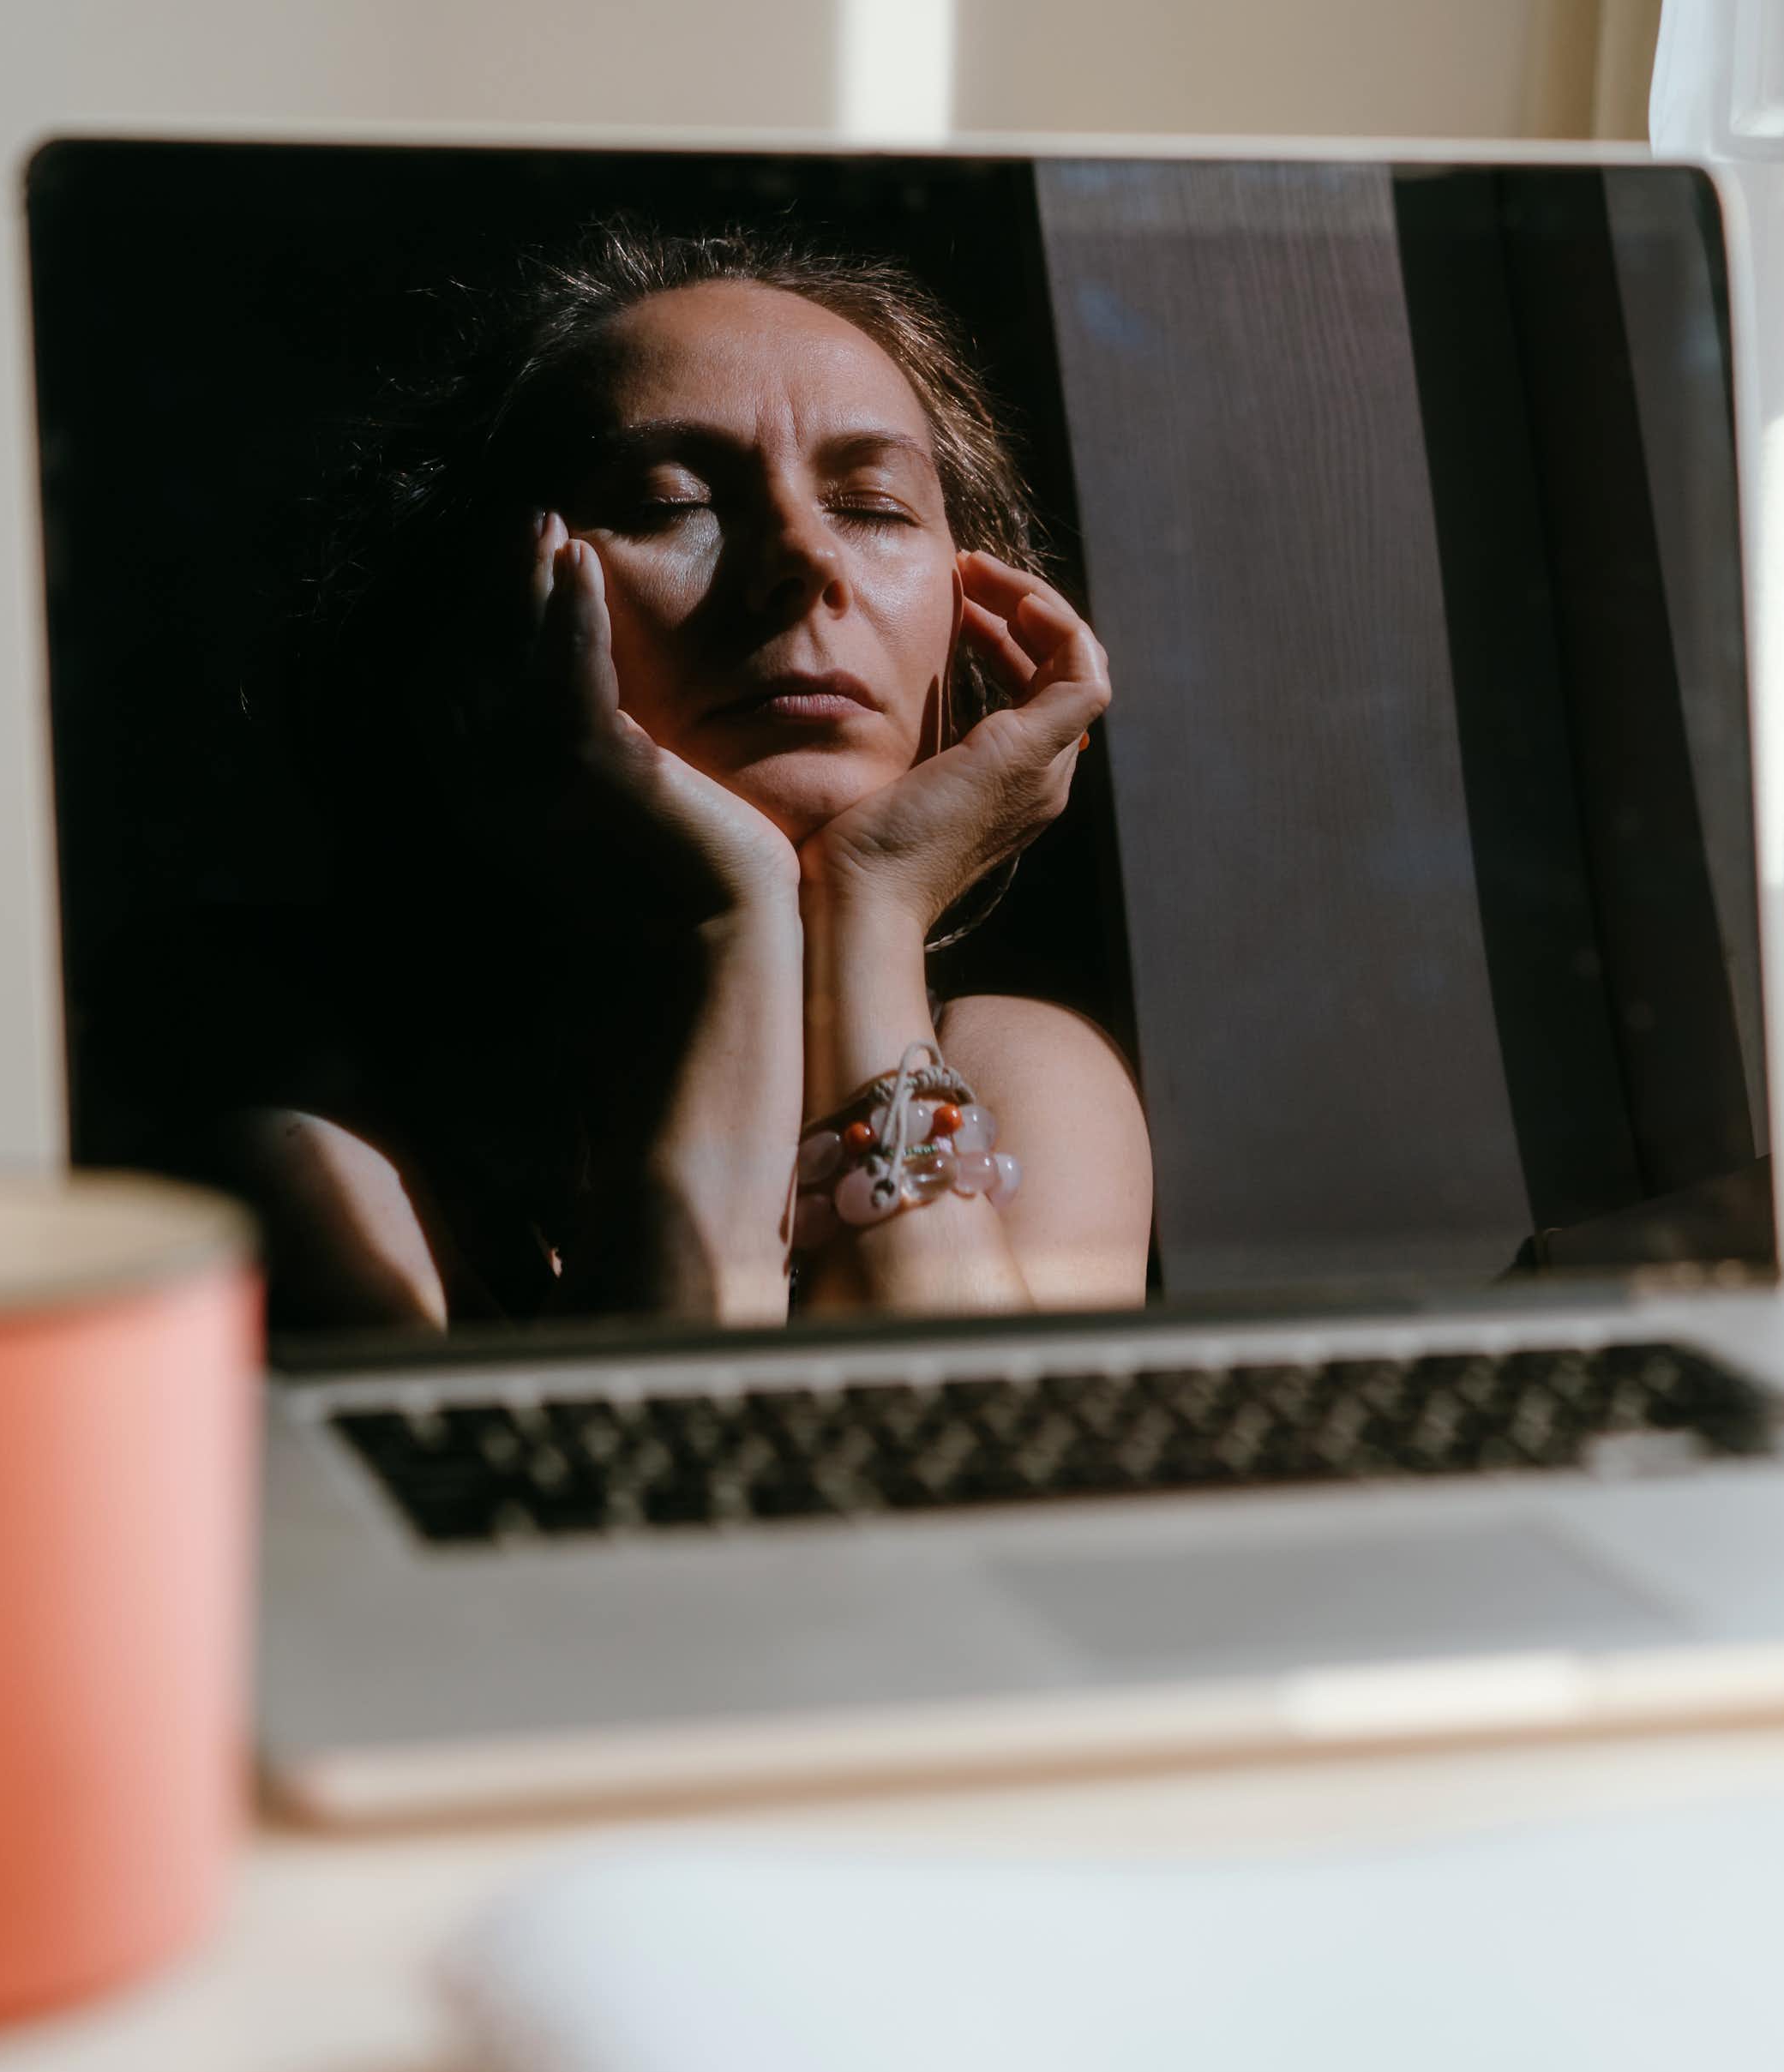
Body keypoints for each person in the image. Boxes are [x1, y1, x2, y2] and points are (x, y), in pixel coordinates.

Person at [230, 221, 1153, 1330]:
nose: (804, 560)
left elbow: (980, 1430)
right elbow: (662, 1430)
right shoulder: (328, 1148)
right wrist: (733, 918)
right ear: (483, 625)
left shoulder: (1022, 1077)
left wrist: (872, 909)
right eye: (671, 504)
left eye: (873, 506)